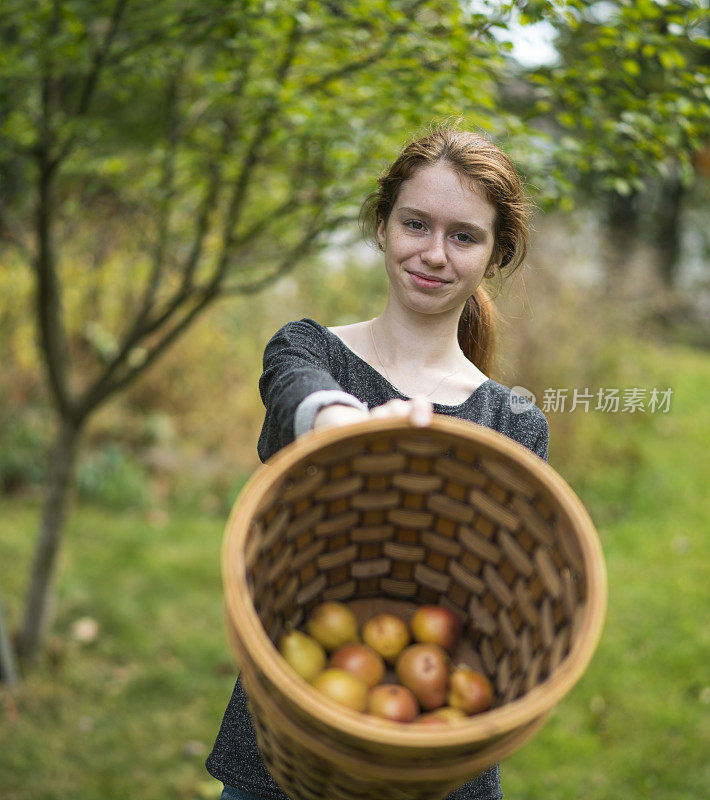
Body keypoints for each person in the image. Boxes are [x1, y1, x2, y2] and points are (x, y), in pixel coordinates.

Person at [206, 126, 549, 800]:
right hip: (287, 739)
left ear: (496, 254)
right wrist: (346, 429)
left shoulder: (511, 423)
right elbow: (298, 398)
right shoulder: (311, 351)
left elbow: (500, 602)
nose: (433, 253)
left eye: (464, 236)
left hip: (433, 757)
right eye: (416, 224)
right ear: (382, 225)